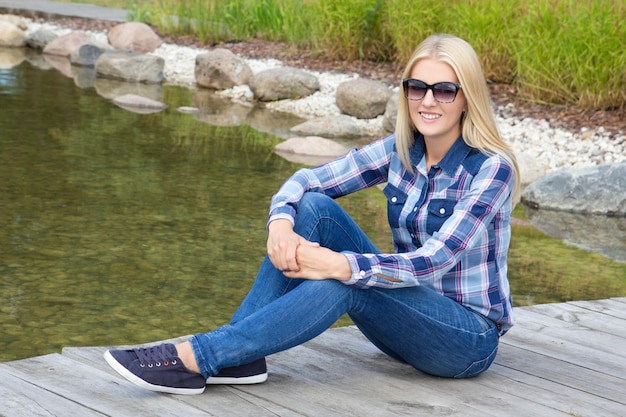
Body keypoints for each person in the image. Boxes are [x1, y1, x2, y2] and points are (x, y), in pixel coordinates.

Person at [104, 33, 520, 395]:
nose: (428, 101)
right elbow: (307, 180)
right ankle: (241, 357)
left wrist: (340, 263)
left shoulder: (490, 168)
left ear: (467, 98)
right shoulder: (402, 149)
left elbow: (434, 261)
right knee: (314, 210)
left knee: (346, 279)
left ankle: (202, 355)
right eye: (417, 88)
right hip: (403, 322)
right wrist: (281, 224)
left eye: (444, 90)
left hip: (465, 339)